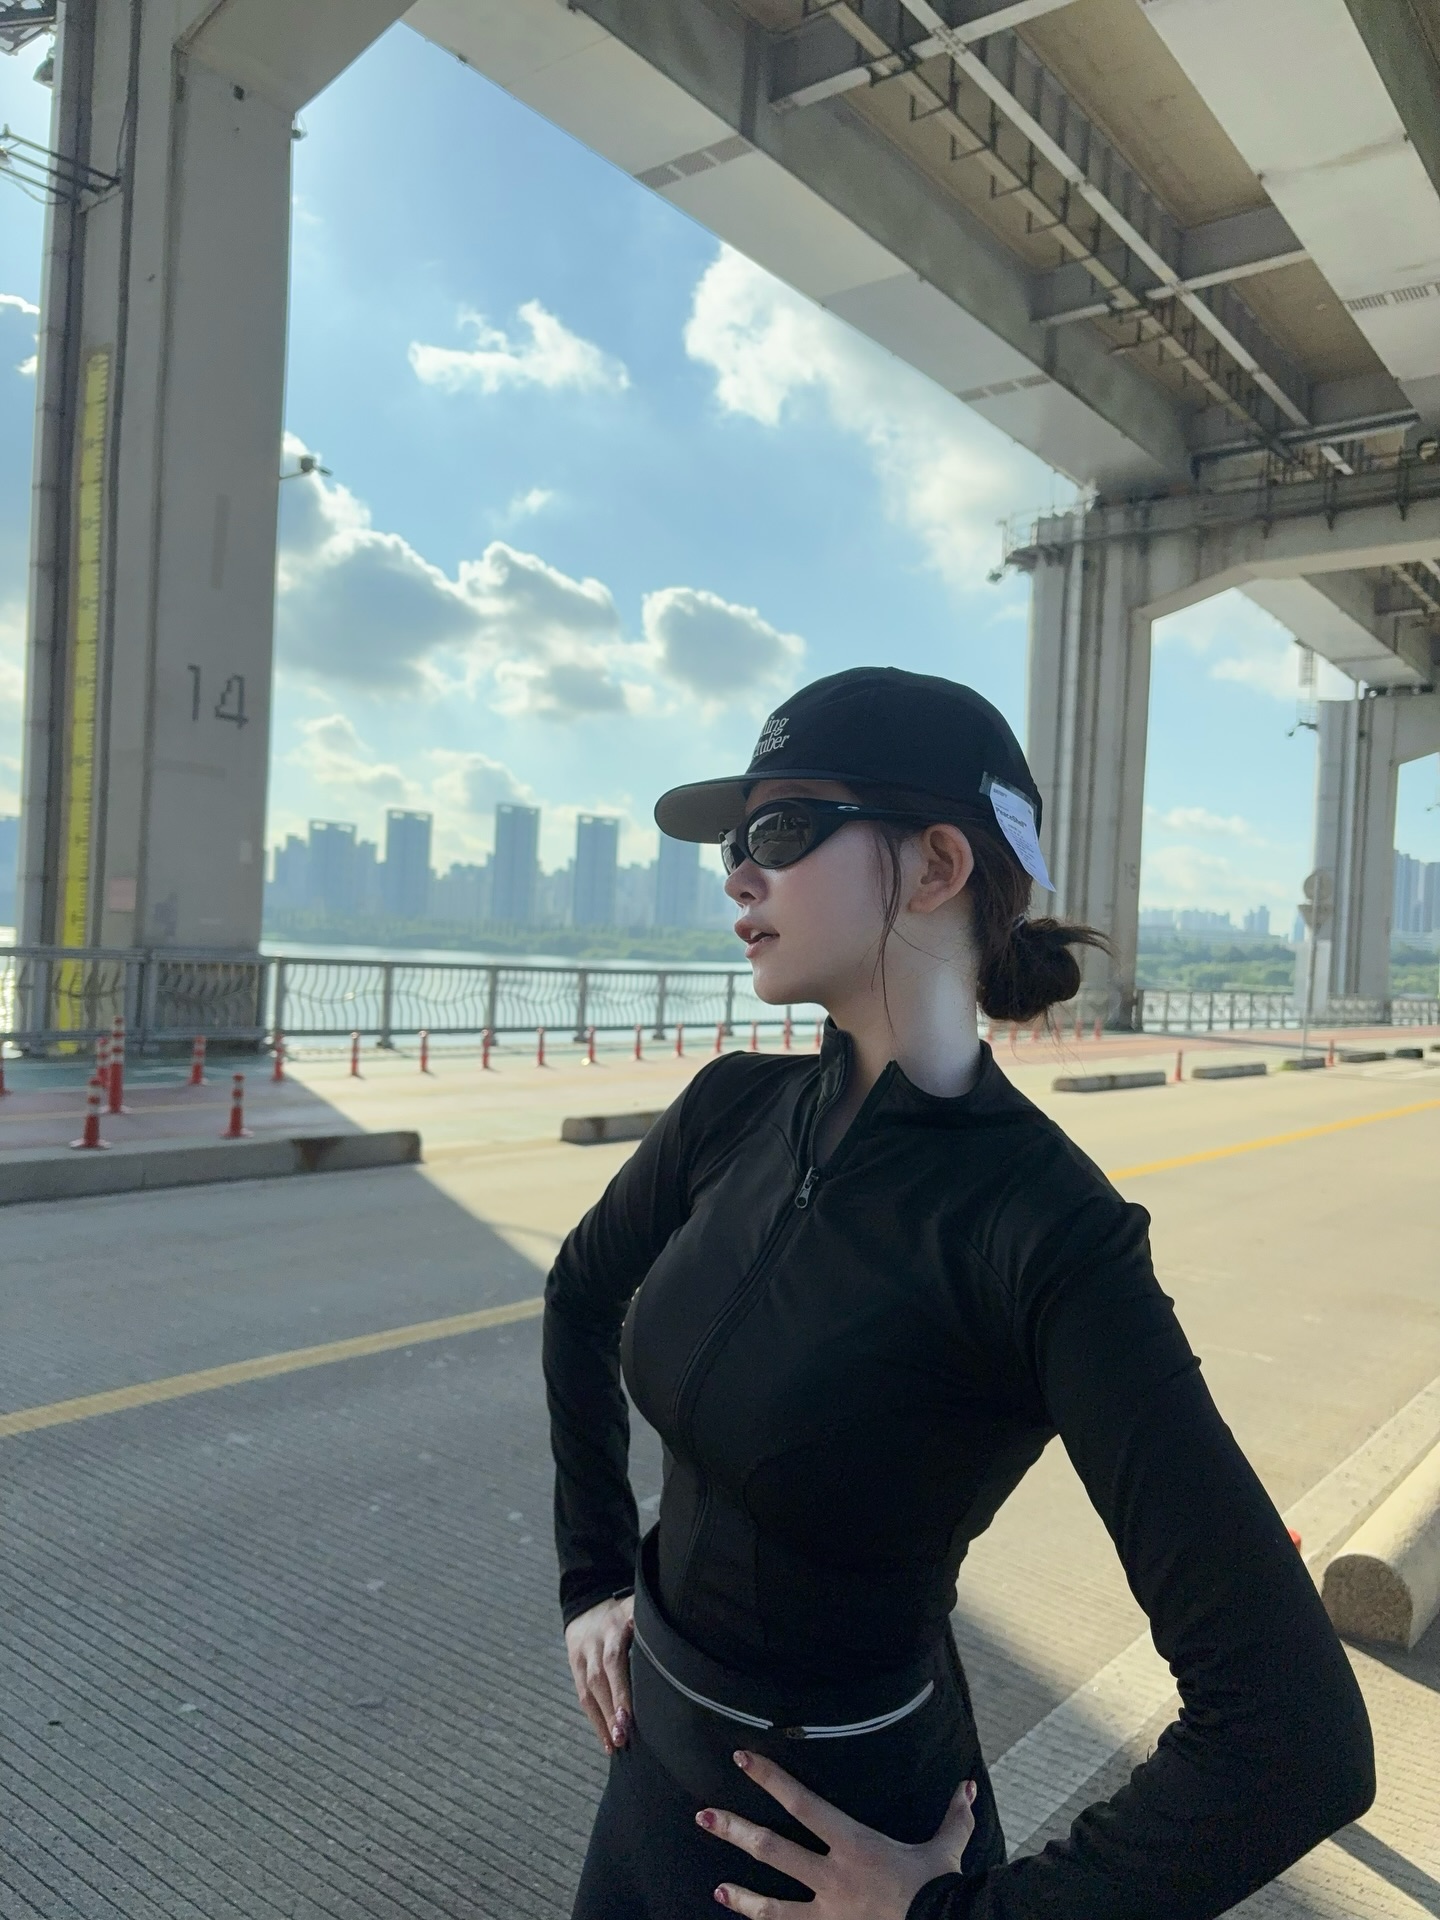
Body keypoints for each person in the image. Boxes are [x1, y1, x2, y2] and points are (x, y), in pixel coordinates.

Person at [543, 667, 1374, 1919]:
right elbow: (576, 1296)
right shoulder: (731, 1112)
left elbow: (1293, 1738)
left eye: (781, 830)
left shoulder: (1046, 1231)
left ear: (936, 864)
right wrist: (593, 1582)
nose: (737, 875)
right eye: (733, 843)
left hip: (853, 1831)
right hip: (650, 1780)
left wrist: (953, 1916)